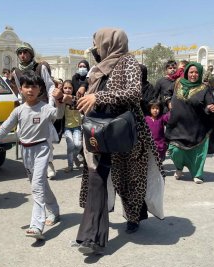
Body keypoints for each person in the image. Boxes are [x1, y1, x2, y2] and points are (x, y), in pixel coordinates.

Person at [60, 28, 164, 254]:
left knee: (128, 179)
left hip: (125, 131)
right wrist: (73, 99)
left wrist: (99, 96)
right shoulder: (97, 69)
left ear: (110, 42)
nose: (95, 48)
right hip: (98, 130)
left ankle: (134, 217)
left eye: (97, 43)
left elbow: (134, 93)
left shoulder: (129, 62)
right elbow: (90, 101)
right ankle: (90, 237)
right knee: (96, 180)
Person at [0, 71, 63, 240]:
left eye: (34, 86)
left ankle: (36, 225)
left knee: (37, 186)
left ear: (40, 89)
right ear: (21, 89)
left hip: (41, 150)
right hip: (26, 151)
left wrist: (60, 99)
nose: (30, 90)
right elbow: (5, 127)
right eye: (26, 86)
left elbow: (59, 114)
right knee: (40, 184)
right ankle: (54, 210)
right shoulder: (18, 111)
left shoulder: (46, 108)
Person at [11, 42, 59, 178]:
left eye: (25, 52)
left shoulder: (40, 67)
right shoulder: (16, 71)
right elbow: (20, 91)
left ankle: (49, 163)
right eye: (20, 53)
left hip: (42, 105)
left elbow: (50, 86)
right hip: (27, 107)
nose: (22, 55)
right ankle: (32, 166)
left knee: (46, 136)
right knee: (22, 133)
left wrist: (50, 105)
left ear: (31, 54)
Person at [165, 62, 214, 184]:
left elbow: (209, 104)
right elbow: (167, 93)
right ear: (187, 72)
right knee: (174, 150)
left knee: (198, 152)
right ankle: (179, 168)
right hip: (177, 125)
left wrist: (210, 108)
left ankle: (197, 174)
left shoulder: (204, 88)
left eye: (196, 72)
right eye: (191, 72)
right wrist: (168, 101)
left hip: (196, 127)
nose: (194, 74)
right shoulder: (178, 83)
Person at [62, 80, 83, 172]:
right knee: (70, 146)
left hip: (77, 126)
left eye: (70, 88)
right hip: (67, 128)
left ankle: (74, 157)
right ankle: (70, 166)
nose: (67, 90)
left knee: (78, 145)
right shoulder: (61, 101)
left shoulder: (76, 99)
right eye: (65, 88)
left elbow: (75, 104)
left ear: (73, 89)